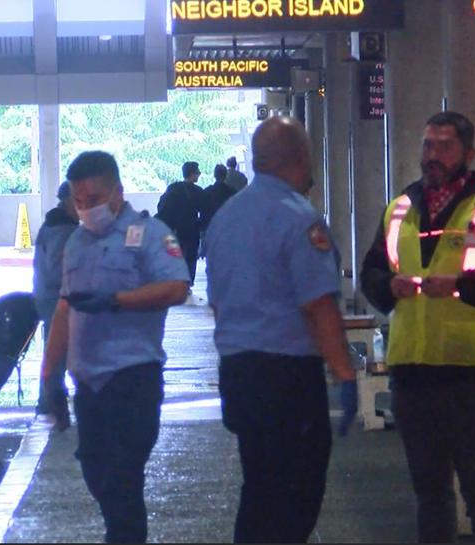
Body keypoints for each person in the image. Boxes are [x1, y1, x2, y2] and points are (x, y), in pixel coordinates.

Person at [360, 111, 475, 542]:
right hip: (412, 369)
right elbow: (371, 273)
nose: (432, 155)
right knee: (429, 490)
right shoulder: (401, 208)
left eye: (444, 146)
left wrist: (461, 285)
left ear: (468, 154)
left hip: (474, 371)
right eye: (427, 145)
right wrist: (390, 285)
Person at [204, 116, 356, 543]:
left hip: (238, 373)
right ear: (301, 158)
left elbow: (217, 301)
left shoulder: (225, 219)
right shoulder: (299, 218)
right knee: (297, 494)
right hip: (287, 379)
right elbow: (317, 305)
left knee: (259, 488)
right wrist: (345, 374)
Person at [40, 150, 190, 543]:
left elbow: (177, 288)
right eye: (79, 201)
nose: (87, 209)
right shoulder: (75, 242)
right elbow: (63, 310)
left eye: (94, 200)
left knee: (122, 478)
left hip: (132, 379)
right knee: (95, 471)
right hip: (88, 384)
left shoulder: (153, 234)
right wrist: (49, 377)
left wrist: (117, 300)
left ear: (118, 193)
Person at [32, 180, 79, 430]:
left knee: (57, 352)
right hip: (58, 300)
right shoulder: (64, 229)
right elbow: (62, 269)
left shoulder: (54, 224)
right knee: (59, 353)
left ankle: (49, 401)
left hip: (48, 297)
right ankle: (49, 402)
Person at [156, 161, 204, 284]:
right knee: (190, 258)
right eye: (197, 172)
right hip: (192, 230)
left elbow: (162, 206)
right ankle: (187, 283)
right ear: (192, 174)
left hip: (175, 230)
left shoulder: (173, 188)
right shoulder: (198, 191)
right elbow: (204, 209)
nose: (199, 174)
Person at [199, 163, 236, 253]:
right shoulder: (233, 193)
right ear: (226, 175)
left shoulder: (207, 192)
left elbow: (202, 212)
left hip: (210, 230)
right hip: (228, 231)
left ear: (214, 175)